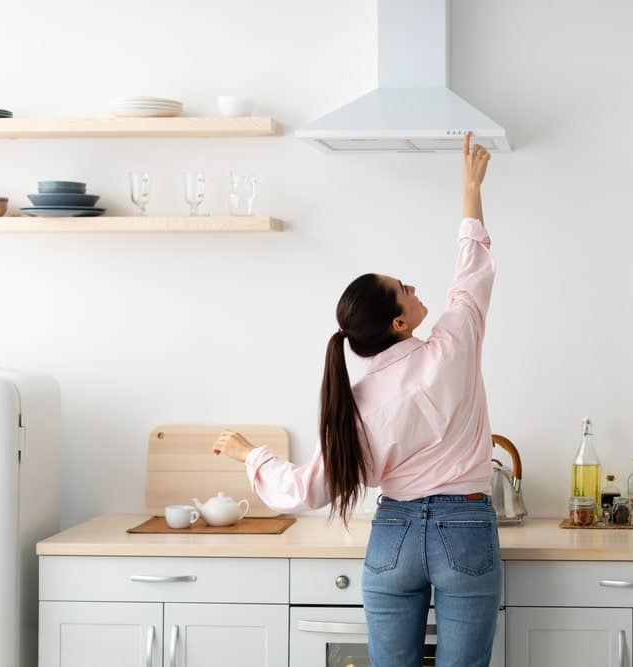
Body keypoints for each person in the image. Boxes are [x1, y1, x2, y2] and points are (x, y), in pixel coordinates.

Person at [213, 131, 498, 667]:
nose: (415, 289)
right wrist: (470, 192)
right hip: (465, 528)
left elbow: (306, 489)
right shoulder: (454, 345)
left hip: (393, 536)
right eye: (405, 289)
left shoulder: (358, 400)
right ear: (398, 322)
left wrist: (250, 453)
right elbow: (472, 275)